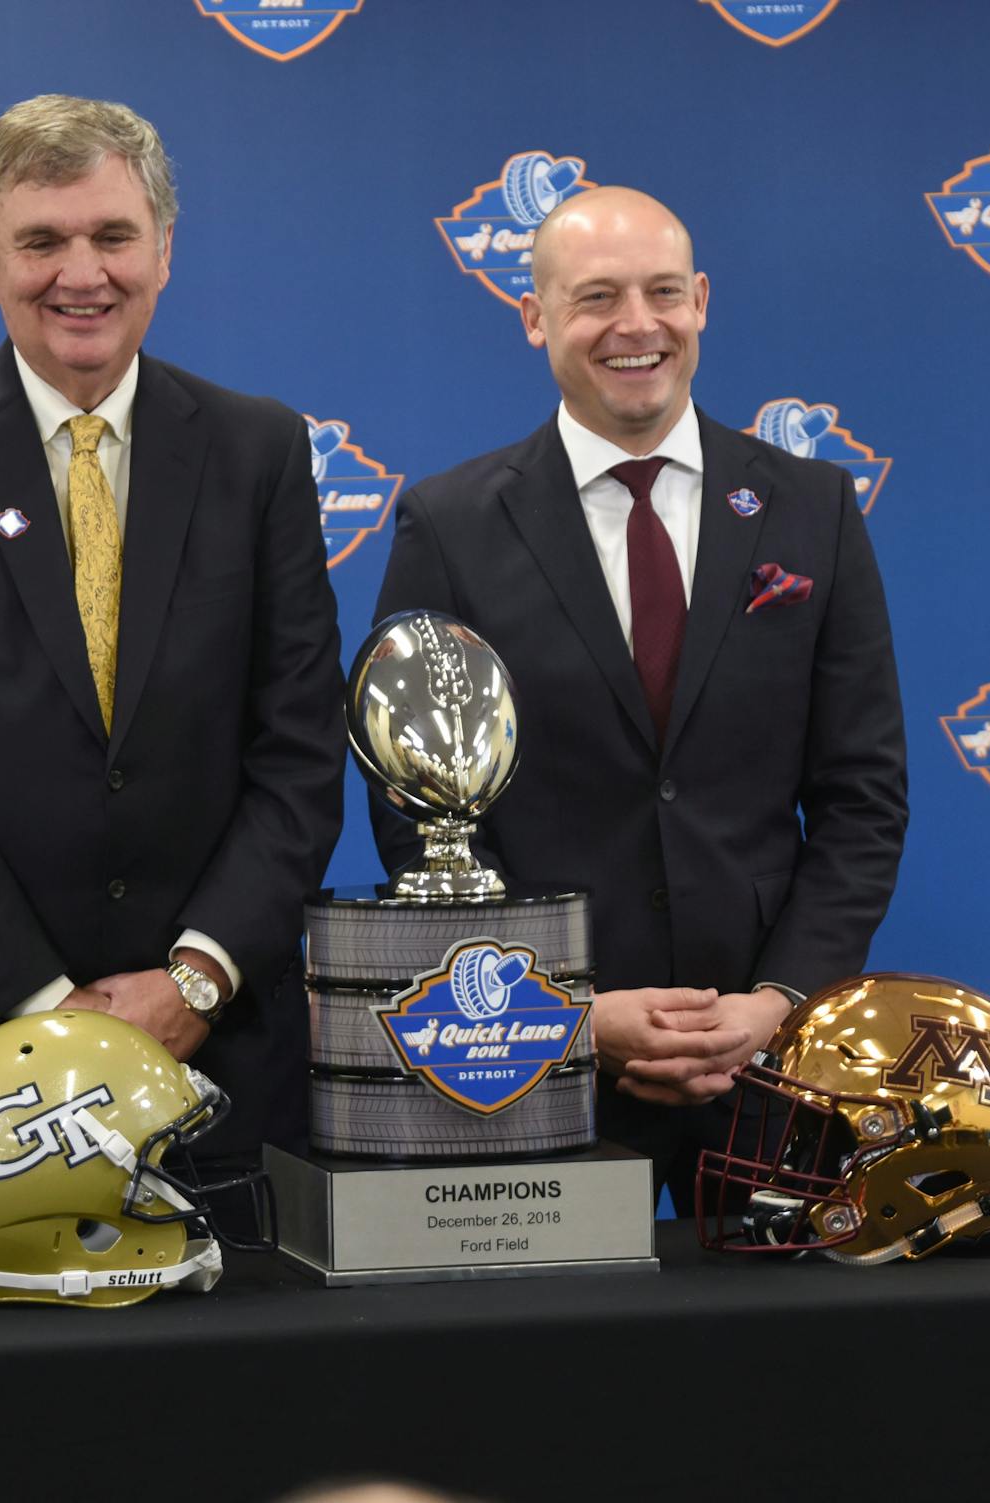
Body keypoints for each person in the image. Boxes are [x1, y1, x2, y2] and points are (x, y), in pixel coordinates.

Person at [0, 95, 344, 1258]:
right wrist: (57, 1017)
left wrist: (192, 984)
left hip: (213, 1064)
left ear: (164, 248)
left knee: (231, 1432)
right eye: (41, 241)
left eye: (111, 235)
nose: (80, 273)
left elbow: (300, 752)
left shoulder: (258, 452)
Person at [368, 186, 907, 1209]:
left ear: (701, 301)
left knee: (793, 1367)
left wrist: (777, 1004)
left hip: (767, 1068)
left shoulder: (812, 508)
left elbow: (863, 799)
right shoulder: (450, 525)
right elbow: (417, 818)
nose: (637, 326)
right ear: (535, 318)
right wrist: (564, 1013)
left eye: (663, 292)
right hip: (534, 1066)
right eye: (597, 297)